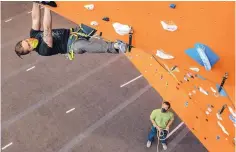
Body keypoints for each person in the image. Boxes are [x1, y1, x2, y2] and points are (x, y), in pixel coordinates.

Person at [14, 2, 128, 59]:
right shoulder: (43, 50)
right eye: (29, 46)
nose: (30, 41)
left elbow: (35, 18)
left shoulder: (33, 34)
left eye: (26, 41)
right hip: (73, 45)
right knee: (82, 46)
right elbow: (47, 30)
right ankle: (116, 46)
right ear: (30, 51)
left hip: (75, 32)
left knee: (94, 21)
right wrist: (47, 7)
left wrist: (36, 2)